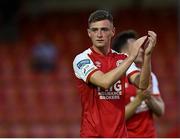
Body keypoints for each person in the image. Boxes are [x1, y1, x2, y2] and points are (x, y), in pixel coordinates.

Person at [73, 10, 156, 137]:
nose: (99, 34)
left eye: (104, 29)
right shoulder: (82, 59)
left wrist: (148, 55)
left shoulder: (121, 59)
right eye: (94, 30)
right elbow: (104, 82)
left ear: (113, 32)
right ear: (89, 33)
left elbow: (143, 84)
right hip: (93, 135)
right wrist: (131, 56)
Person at [112, 30, 165, 137]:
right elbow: (114, 119)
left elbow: (161, 111)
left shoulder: (150, 76)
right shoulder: (113, 79)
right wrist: (138, 99)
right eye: (137, 47)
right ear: (123, 52)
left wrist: (148, 97)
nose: (141, 50)